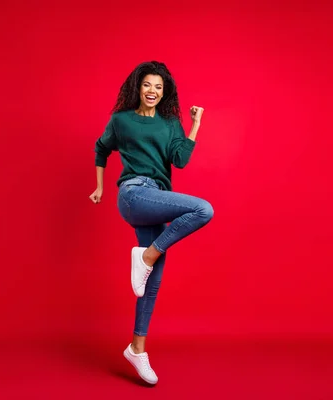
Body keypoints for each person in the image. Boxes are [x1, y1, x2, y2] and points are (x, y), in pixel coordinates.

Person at [89, 61, 214, 385]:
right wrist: (101, 186)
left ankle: (137, 349)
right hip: (133, 194)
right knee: (203, 209)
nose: (152, 91)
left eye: (158, 87)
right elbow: (101, 148)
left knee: (151, 281)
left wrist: (194, 126)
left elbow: (180, 160)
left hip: (157, 196)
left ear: (165, 91)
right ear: (137, 87)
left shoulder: (170, 122)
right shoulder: (122, 120)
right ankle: (146, 254)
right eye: (147, 85)